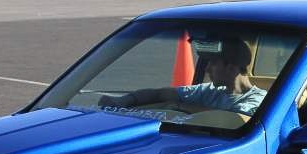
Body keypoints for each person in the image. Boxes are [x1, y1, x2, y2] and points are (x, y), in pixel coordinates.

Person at [98, 37, 266, 116]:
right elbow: (160, 94)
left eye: (213, 63)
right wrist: (124, 101)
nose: (207, 69)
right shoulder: (208, 91)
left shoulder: (258, 100)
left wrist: (180, 107)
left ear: (232, 67)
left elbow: (232, 119)